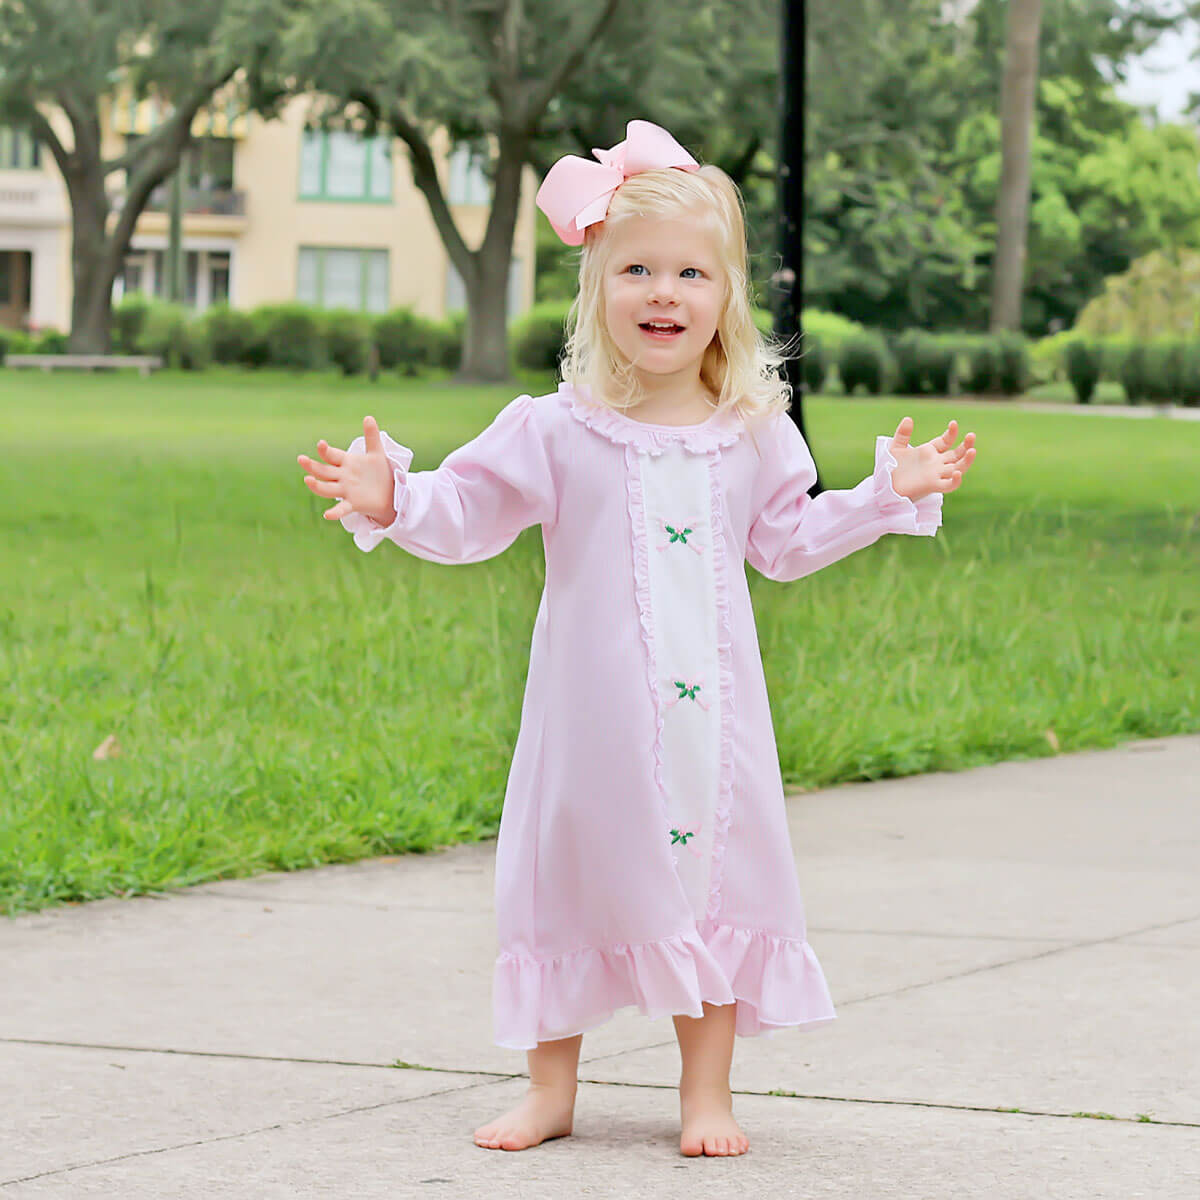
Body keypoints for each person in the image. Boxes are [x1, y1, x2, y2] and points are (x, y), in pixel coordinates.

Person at [296, 119, 977, 1159]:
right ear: (597, 290)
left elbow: (786, 541)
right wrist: (396, 500)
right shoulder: (558, 428)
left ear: (726, 300)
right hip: (592, 735)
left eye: (692, 273)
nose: (665, 292)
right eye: (638, 270)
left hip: (717, 741)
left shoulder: (753, 431)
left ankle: (707, 1096)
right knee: (569, 882)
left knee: (715, 888)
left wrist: (887, 496)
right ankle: (548, 1091)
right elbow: (470, 512)